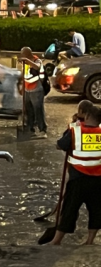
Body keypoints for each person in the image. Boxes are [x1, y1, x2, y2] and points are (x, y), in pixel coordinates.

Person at [50, 104, 101, 245]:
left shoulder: (75, 131)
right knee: (97, 210)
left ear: (87, 116)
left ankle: (56, 240)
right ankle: (90, 241)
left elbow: (60, 145)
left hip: (77, 179)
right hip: (98, 180)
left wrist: (71, 126)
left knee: (69, 210)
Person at [19, 47, 47, 138]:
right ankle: (30, 129)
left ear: (27, 54)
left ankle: (42, 130)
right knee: (29, 111)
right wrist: (21, 87)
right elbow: (24, 75)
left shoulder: (37, 60)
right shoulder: (25, 62)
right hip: (27, 89)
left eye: (23, 54)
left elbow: (37, 67)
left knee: (38, 110)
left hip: (36, 89)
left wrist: (27, 60)